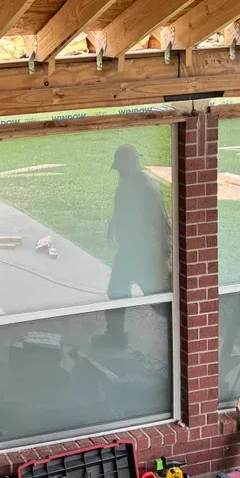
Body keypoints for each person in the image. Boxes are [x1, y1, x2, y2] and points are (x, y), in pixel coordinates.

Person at [103, 143, 172, 346]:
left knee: (158, 300)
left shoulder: (148, 189)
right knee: (116, 290)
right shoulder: (126, 181)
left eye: (120, 168)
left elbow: (161, 226)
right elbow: (125, 210)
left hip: (145, 254)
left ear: (132, 164)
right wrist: (113, 223)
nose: (118, 173)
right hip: (129, 251)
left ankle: (183, 332)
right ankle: (115, 337)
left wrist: (161, 260)